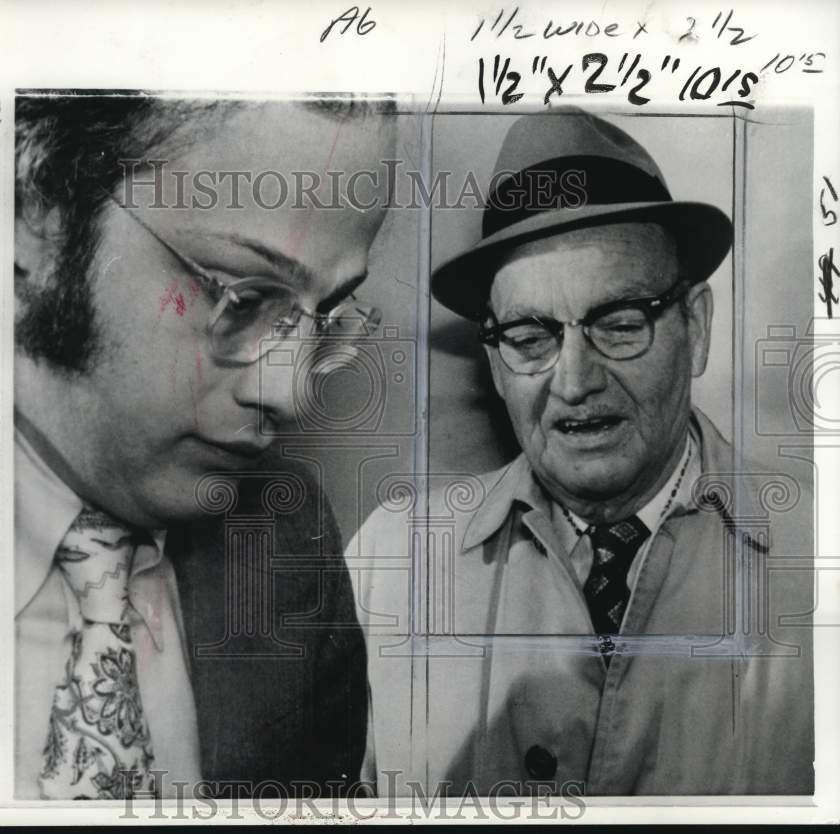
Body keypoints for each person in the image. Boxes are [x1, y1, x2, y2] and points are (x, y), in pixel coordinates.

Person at [349, 108, 814, 796]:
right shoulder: (385, 567)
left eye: (619, 324)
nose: (574, 381)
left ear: (696, 326)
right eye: (530, 338)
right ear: (495, 363)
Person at [13, 93, 397, 799]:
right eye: (242, 299)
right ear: (38, 213)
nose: (289, 393)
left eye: (327, 315)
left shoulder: (288, 533)